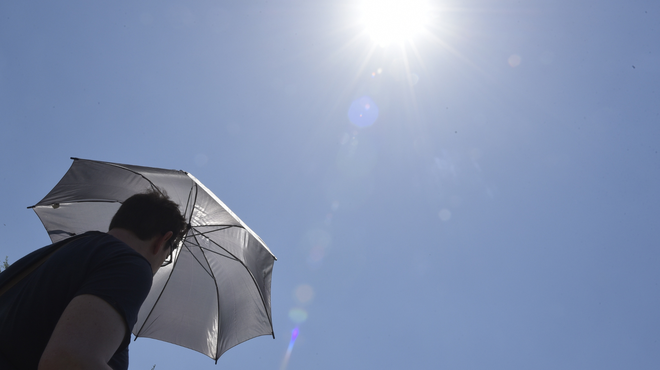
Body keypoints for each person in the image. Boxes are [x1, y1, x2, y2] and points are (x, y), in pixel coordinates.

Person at [0, 190, 187, 370]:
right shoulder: (132, 265)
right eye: (167, 257)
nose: (161, 262)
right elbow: (68, 361)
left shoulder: (58, 253)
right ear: (163, 240)